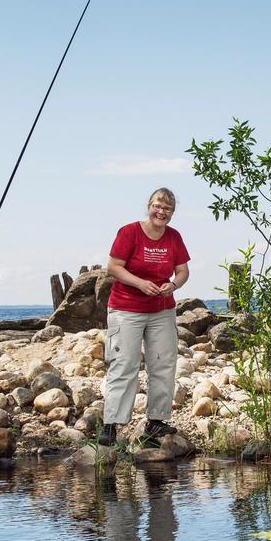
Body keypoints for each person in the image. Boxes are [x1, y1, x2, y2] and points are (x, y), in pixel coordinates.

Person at [99, 188, 190, 447]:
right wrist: (140, 283)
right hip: (127, 308)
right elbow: (114, 267)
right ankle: (111, 424)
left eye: (167, 209)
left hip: (161, 310)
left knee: (163, 364)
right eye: (157, 206)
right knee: (123, 364)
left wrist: (173, 285)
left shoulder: (173, 237)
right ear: (149, 206)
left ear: (172, 213)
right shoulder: (129, 232)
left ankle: (156, 421)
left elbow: (182, 271)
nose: (161, 212)